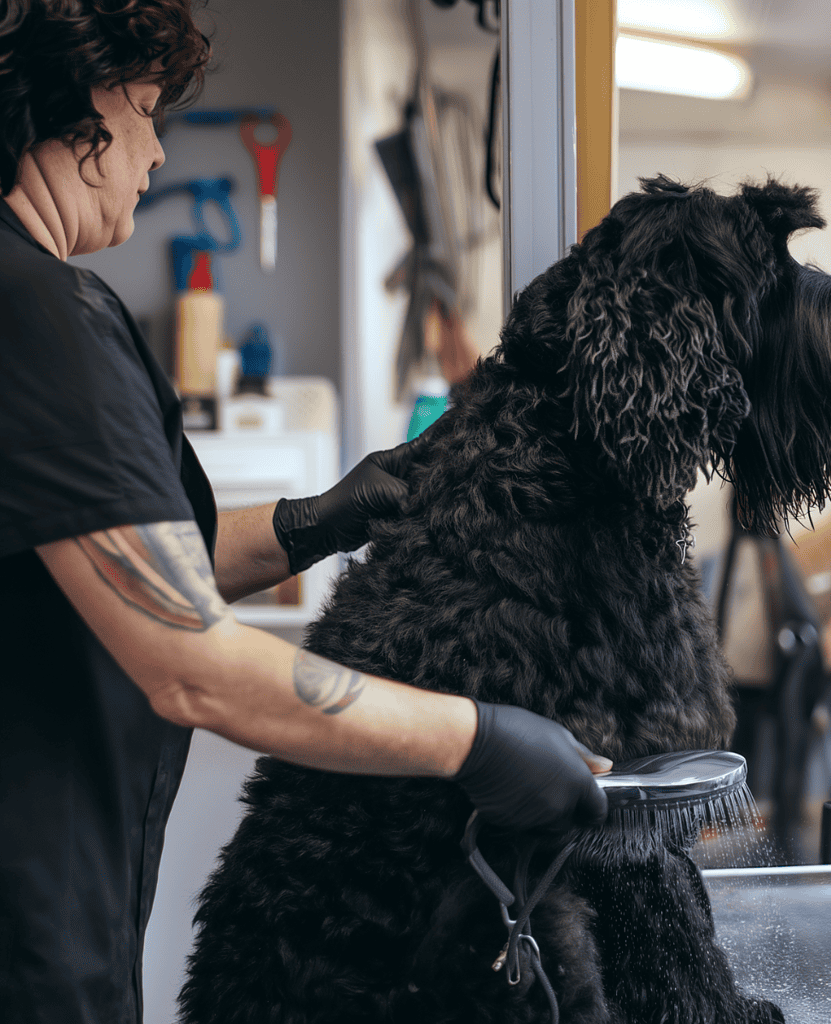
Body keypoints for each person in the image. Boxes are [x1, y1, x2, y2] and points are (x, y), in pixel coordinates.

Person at [0, 3, 610, 1022]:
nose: (157, 150)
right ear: (78, 102)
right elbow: (191, 661)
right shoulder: (41, 314)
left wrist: (320, 518)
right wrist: (477, 739)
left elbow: (129, 565)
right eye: (146, 109)